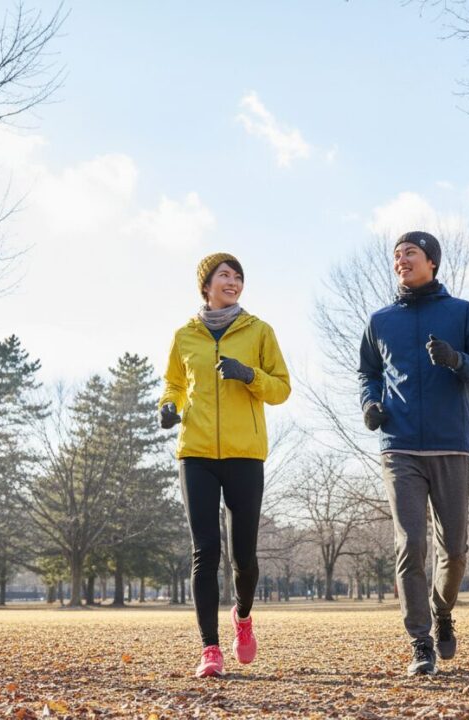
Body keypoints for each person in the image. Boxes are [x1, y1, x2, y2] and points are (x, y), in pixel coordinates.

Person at [358, 231, 469, 676]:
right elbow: (368, 372)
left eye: (411, 253)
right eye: (397, 255)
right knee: (410, 543)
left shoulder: (461, 313)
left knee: (454, 551)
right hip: (398, 446)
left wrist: (457, 360)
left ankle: (442, 612)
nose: (401, 260)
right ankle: (420, 643)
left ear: (432, 262)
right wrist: (370, 404)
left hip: (450, 445)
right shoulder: (381, 320)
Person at [158, 252, 291, 678]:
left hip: (244, 454)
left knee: (244, 557)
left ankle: (244, 617)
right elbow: (174, 384)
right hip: (195, 453)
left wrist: (247, 375)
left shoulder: (260, 331)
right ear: (206, 285)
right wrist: (168, 406)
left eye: (237, 276)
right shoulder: (185, 335)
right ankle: (210, 649)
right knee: (205, 552)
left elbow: (282, 389)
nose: (232, 281)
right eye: (224, 275)